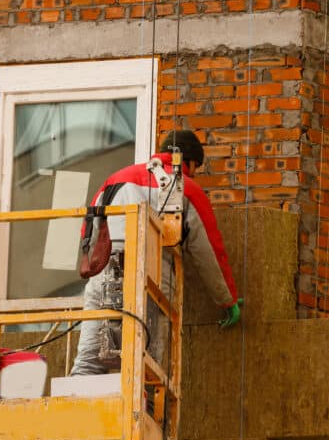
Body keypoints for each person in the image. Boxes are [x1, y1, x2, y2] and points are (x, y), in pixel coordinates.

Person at [71, 130, 241, 376]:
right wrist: (227, 300)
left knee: (89, 361)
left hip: (105, 272)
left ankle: (78, 409)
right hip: (153, 278)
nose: (193, 175)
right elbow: (208, 252)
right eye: (194, 168)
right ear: (188, 160)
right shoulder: (187, 188)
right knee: (149, 370)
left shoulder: (117, 178)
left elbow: (88, 229)